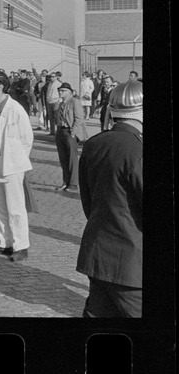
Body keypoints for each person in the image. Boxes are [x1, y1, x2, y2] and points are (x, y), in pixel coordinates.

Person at [76, 80, 142, 317]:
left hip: (98, 253)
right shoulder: (137, 149)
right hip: (131, 261)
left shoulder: (94, 144)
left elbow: (88, 199)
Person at [0, 72, 34, 262]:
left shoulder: (16, 109)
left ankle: (21, 246)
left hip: (12, 163)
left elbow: (27, 138)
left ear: (0, 86)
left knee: (15, 206)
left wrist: (17, 161)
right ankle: (5, 242)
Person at [54, 82, 87, 192]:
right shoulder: (60, 103)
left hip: (69, 132)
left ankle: (73, 184)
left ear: (70, 92)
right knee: (63, 158)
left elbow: (79, 119)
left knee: (72, 159)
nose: (61, 92)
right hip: (60, 131)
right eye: (60, 90)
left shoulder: (74, 102)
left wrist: (73, 132)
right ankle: (66, 181)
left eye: (64, 91)